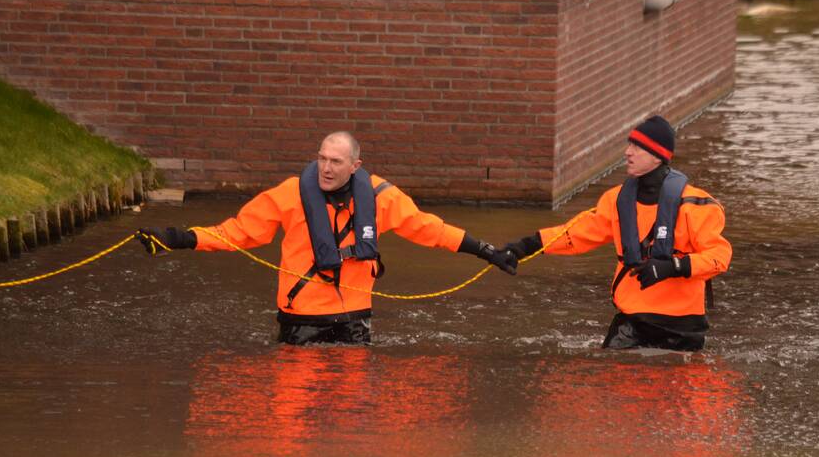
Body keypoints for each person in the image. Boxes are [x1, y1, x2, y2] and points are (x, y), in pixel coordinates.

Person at [137, 131, 517, 345]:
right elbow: (238, 232)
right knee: (297, 419)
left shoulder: (382, 197)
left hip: (354, 321)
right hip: (300, 321)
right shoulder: (290, 193)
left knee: (354, 418)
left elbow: (429, 229)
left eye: (335, 162)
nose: (326, 168)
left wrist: (485, 251)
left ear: (355, 167)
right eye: (321, 159)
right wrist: (179, 238)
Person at [504, 116, 731, 351]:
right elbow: (576, 235)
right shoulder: (616, 200)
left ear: (657, 156)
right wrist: (523, 247)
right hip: (632, 321)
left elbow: (719, 257)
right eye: (629, 144)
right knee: (610, 378)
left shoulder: (698, 206)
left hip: (683, 326)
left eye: (636, 147)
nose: (627, 152)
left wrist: (673, 266)